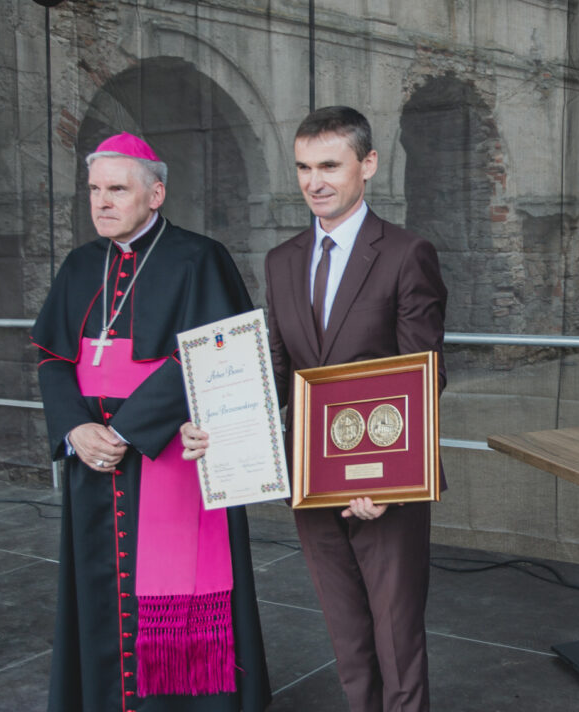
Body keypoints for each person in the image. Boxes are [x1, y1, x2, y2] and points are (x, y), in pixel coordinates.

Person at [183, 106, 447, 712]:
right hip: (310, 478)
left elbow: (423, 375)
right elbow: (276, 368)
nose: (314, 181)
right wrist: (216, 428)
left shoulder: (408, 254)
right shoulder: (282, 261)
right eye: (303, 167)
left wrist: (389, 479)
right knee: (348, 636)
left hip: (386, 481)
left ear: (368, 164)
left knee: (397, 639)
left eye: (329, 164)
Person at [32, 132, 271, 712]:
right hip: (94, 460)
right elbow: (53, 357)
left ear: (155, 193)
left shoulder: (199, 257)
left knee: (175, 584)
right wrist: (75, 429)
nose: (101, 202)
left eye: (117, 188)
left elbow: (211, 355)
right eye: (94, 189)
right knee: (101, 588)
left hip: (167, 455)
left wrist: (124, 431)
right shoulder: (81, 264)